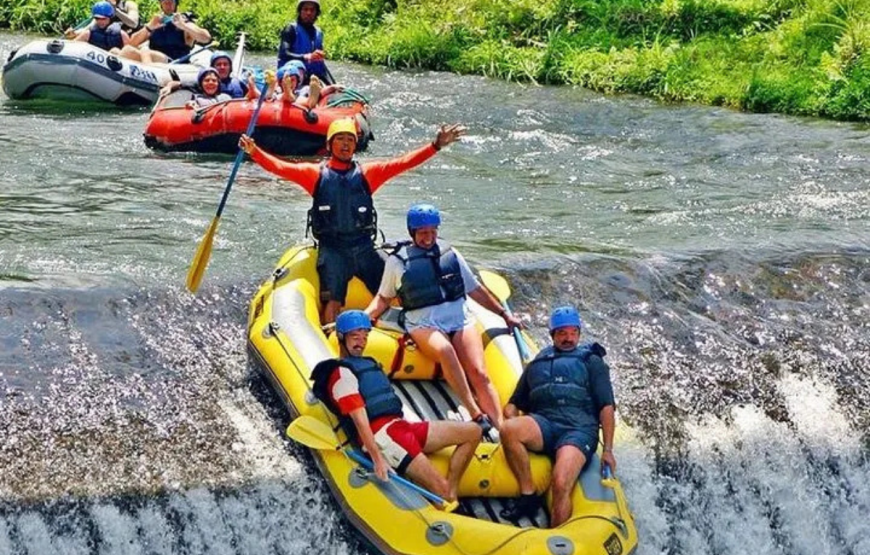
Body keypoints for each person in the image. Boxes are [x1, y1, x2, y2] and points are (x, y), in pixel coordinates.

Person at [238, 120, 465, 324]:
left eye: (350, 140)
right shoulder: (314, 174)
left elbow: (403, 163)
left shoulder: (368, 174)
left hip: (365, 247)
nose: (345, 144)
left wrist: (435, 145)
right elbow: (280, 167)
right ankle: (332, 343)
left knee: (395, 291)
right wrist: (254, 151)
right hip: (333, 249)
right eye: (340, 139)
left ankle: (403, 331)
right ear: (330, 144)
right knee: (333, 300)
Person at [365, 204, 522, 437]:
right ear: (412, 233)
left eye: (432, 232)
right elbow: (383, 298)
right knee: (446, 351)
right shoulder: (397, 262)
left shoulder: (451, 254)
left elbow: (475, 290)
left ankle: (502, 430)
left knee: (480, 373)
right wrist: (364, 318)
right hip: (423, 324)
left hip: (460, 320)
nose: (428, 238)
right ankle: (475, 413)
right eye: (422, 233)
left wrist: (504, 314)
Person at [310, 310, 481, 503]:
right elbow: (360, 419)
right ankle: (445, 495)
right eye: (355, 337)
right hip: (384, 437)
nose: (361, 342)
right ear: (341, 337)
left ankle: (451, 488)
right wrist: (377, 459)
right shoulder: (341, 374)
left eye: (365, 336)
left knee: (473, 431)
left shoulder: (368, 363)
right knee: (443, 492)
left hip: (401, 427)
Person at [499, 306, 617, 526]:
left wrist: (608, 450)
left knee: (561, 482)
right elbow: (514, 403)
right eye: (562, 333)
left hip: (578, 430)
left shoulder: (591, 361)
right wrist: (511, 417)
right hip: (545, 423)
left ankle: (558, 538)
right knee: (508, 430)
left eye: (573, 332)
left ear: (579, 334)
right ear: (552, 335)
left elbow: (606, 407)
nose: (568, 338)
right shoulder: (538, 362)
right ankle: (528, 495)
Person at [121, 0, 211, 64]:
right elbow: (131, 44)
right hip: (153, 60)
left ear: (176, 3)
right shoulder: (156, 21)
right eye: (165, 1)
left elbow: (206, 38)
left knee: (145, 52)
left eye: (171, 1)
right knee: (121, 51)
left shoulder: (184, 22)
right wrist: (149, 27)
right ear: (161, 4)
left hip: (175, 62)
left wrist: (183, 26)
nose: (168, 4)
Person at [277, 0, 333, 85]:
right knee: (297, 65)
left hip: (311, 77)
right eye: (305, 9)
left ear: (316, 13)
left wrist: (332, 84)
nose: (309, 13)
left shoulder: (319, 32)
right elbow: (284, 53)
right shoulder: (290, 29)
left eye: (312, 10)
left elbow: (320, 65)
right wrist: (307, 57)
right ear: (300, 11)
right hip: (291, 76)